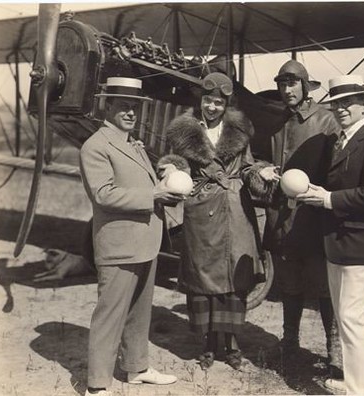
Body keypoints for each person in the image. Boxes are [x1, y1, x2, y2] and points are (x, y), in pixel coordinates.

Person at [296, 75, 364, 394]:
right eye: (335, 104)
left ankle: (361, 390)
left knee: (351, 315)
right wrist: (318, 191)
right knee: (348, 318)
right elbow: (340, 185)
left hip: (363, 242)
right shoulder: (338, 141)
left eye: (347, 103)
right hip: (339, 241)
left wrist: (327, 199)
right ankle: (362, 381)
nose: (340, 109)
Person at [80, 77, 183, 396]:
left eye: (134, 107)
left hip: (144, 241)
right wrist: (153, 193)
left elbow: (135, 180)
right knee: (110, 314)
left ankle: (136, 368)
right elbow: (104, 195)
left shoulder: (132, 144)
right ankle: (97, 385)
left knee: (139, 311)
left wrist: (161, 176)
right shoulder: (96, 146)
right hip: (119, 244)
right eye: (123, 106)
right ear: (106, 106)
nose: (130, 112)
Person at [157, 72, 264, 371]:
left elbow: (247, 167)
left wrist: (261, 174)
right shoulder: (183, 131)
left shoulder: (239, 130)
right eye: (208, 101)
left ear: (226, 104)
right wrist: (169, 169)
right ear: (200, 101)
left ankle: (231, 346)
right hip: (201, 212)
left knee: (233, 282)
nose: (212, 107)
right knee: (202, 280)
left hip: (234, 210)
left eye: (218, 102)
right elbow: (176, 163)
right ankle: (206, 344)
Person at [245, 60, 341, 365]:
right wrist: (263, 170)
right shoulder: (277, 122)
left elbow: (338, 167)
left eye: (292, 84)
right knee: (289, 283)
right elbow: (256, 159)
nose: (287, 90)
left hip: (312, 216)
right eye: (282, 85)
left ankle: (334, 348)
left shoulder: (326, 121)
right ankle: (290, 342)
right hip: (281, 216)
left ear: (305, 85)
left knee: (324, 286)